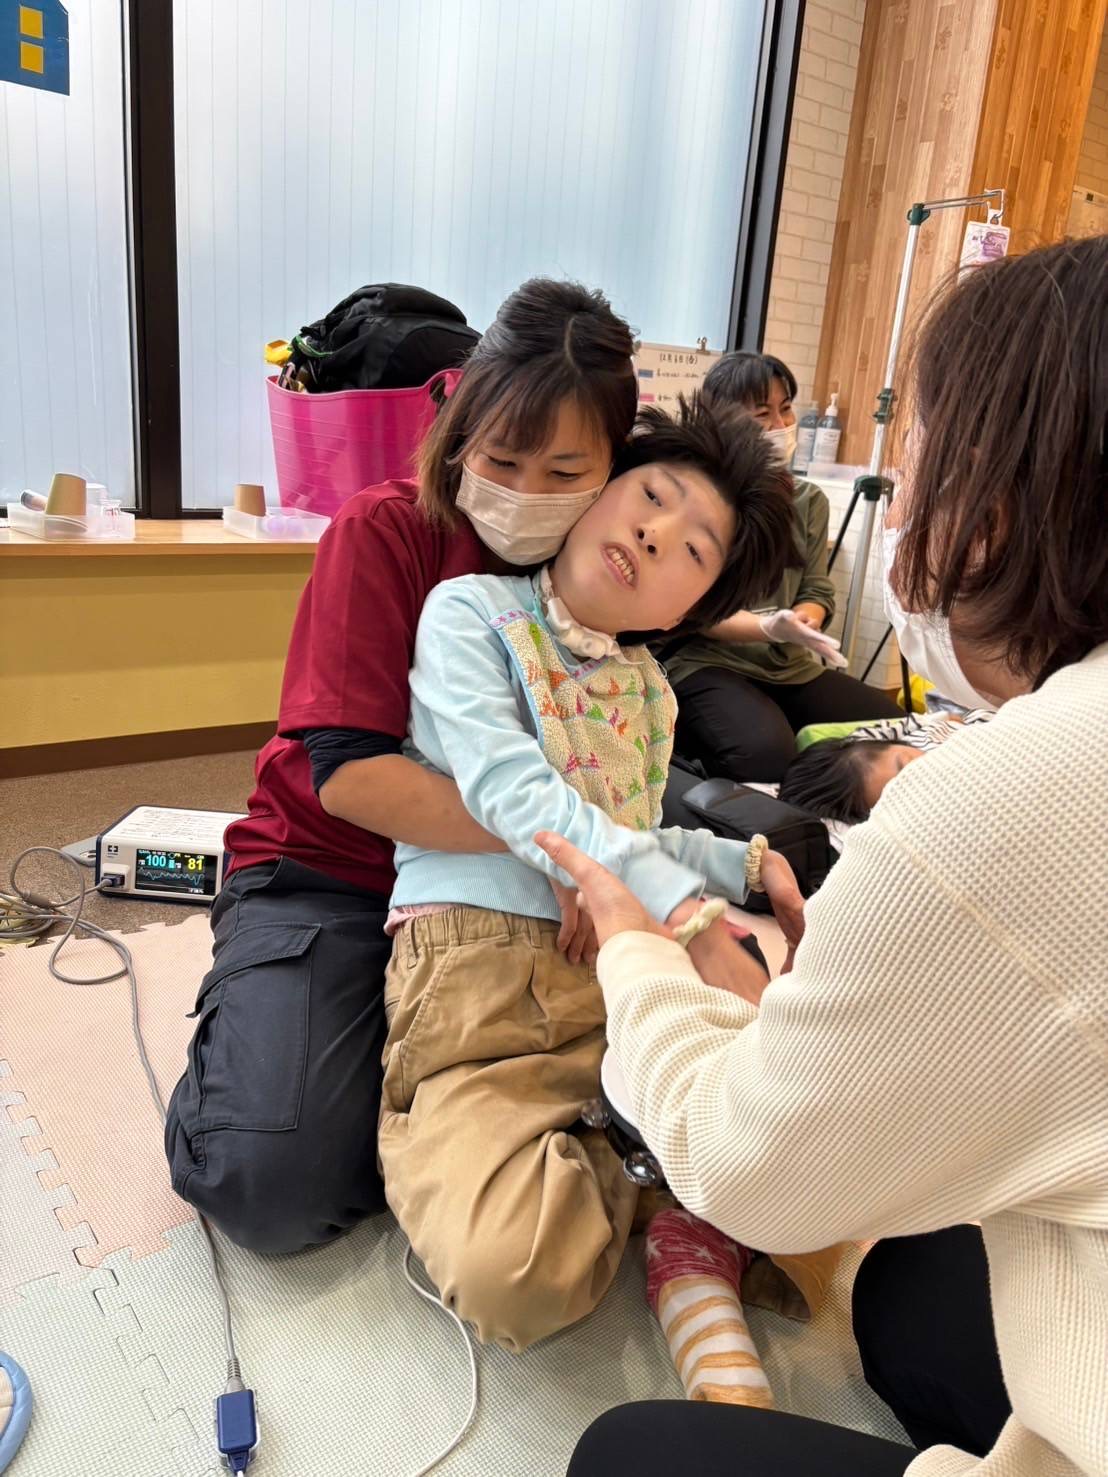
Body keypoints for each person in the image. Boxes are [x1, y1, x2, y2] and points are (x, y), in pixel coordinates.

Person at [542, 236, 1107, 1477]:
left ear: (998, 497)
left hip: (693, 985)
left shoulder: (991, 806)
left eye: (918, 454)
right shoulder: (481, 617)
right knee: (912, 1286)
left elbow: (736, 1158)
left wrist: (640, 932)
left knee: (625, 1446)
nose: (902, 499)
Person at [164, 278, 648, 1255]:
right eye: (502, 459)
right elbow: (351, 778)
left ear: (612, 470)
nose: (528, 493)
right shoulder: (387, 531)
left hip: (504, 897)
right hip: (334, 875)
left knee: (677, 1077)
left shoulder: (601, 564)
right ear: (459, 425)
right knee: (269, 1182)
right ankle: (282, 1040)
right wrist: (556, 846)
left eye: (565, 470)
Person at [379, 397, 830, 1366]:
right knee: (514, 1275)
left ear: (685, 613)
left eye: (693, 549)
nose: (656, 532)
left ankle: (648, 1166)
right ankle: (658, 1183)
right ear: (596, 495)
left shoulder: (652, 692)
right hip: (479, 979)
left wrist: (745, 862)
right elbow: (513, 789)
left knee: (812, 1119)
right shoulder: (473, 613)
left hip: (618, 980)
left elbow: (634, 832)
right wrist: (690, 911)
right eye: (651, 496)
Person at [665, 351, 900, 782]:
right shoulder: (701, 498)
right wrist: (768, 627)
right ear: (721, 420)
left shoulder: (807, 501)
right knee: (764, 754)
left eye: (786, 409)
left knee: (893, 728)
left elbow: (816, 588)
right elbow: (692, 611)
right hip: (705, 660)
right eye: (762, 413)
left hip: (786, 665)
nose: (779, 425)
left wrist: (806, 621)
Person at [778, 709, 992, 823]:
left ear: (898, 744)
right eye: (908, 792)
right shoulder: (962, 804)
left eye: (907, 764)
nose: (928, 776)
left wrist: (947, 718)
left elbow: (874, 735)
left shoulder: (925, 735)